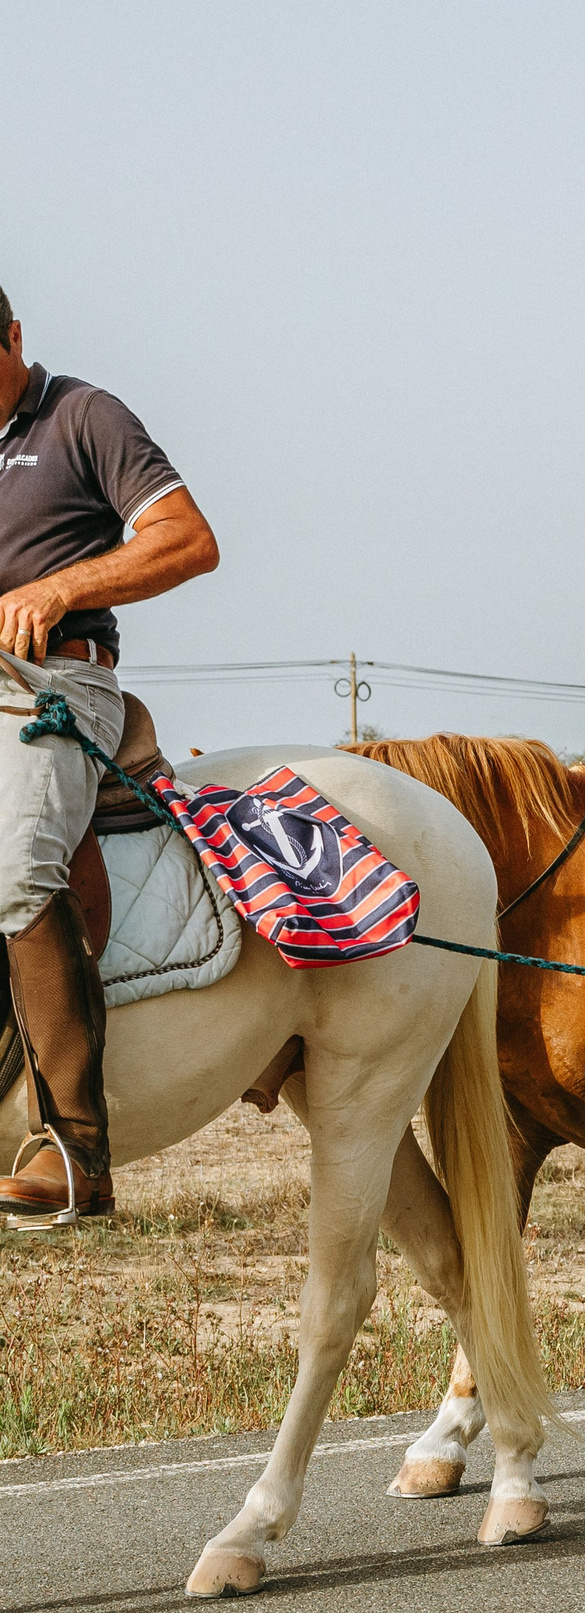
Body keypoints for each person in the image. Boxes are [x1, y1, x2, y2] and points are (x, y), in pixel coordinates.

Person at [0, 284, 221, 1219]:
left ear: (10, 335)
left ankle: (73, 1149)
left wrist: (60, 588)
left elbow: (189, 539)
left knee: (17, 863)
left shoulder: (82, 415)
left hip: (56, 685)